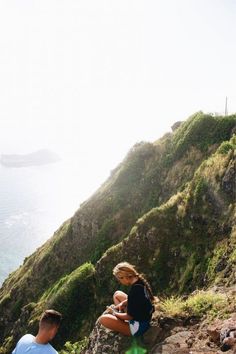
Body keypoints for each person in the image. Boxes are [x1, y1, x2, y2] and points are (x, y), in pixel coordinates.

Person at [99, 262, 155, 337]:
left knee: (103, 319)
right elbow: (139, 299)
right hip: (145, 317)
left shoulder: (134, 292)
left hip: (139, 327)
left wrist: (114, 313)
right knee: (117, 294)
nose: (120, 282)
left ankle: (123, 323)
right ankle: (120, 319)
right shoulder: (139, 281)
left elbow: (129, 316)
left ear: (124, 277)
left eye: (119, 279)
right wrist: (123, 303)